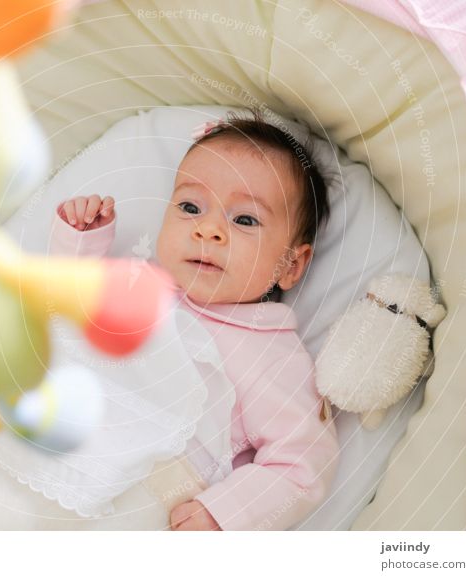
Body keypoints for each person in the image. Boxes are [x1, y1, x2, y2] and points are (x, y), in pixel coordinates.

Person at [50, 111, 338, 531]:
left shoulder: (269, 350)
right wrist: (81, 240)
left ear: (291, 265)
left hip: (149, 486)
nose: (208, 229)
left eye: (244, 220)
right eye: (190, 207)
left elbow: (303, 460)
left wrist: (224, 513)